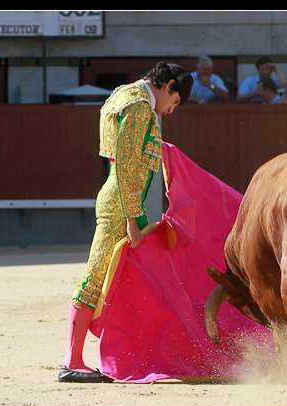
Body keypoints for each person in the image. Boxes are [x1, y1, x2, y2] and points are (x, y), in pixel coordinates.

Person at [58, 62, 193, 383]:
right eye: (174, 102)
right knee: (96, 277)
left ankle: (120, 350)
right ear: (168, 86)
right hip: (121, 204)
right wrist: (134, 218)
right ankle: (72, 361)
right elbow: (128, 165)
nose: (170, 111)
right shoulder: (139, 105)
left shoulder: (124, 94)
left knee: (121, 276)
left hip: (122, 200)